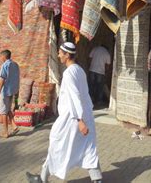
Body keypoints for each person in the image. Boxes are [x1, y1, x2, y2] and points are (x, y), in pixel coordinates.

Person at [27, 42, 102, 183]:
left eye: (61, 53)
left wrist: (80, 120)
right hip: (83, 115)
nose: (59, 55)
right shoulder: (79, 70)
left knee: (57, 144)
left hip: (73, 118)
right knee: (87, 147)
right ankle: (97, 179)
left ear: (67, 55)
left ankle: (42, 179)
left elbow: (75, 96)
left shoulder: (69, 73)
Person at [0, 49, 20, 139]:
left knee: (3, 112)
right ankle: (14, 126)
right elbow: (17, 78)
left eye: (1, 56)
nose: (0, 58)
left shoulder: (5, 65)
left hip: (5, 92)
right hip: (12, 90)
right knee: (8, 109)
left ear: (4, 57)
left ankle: (5, 132)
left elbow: (1, 80)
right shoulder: (15, 64)